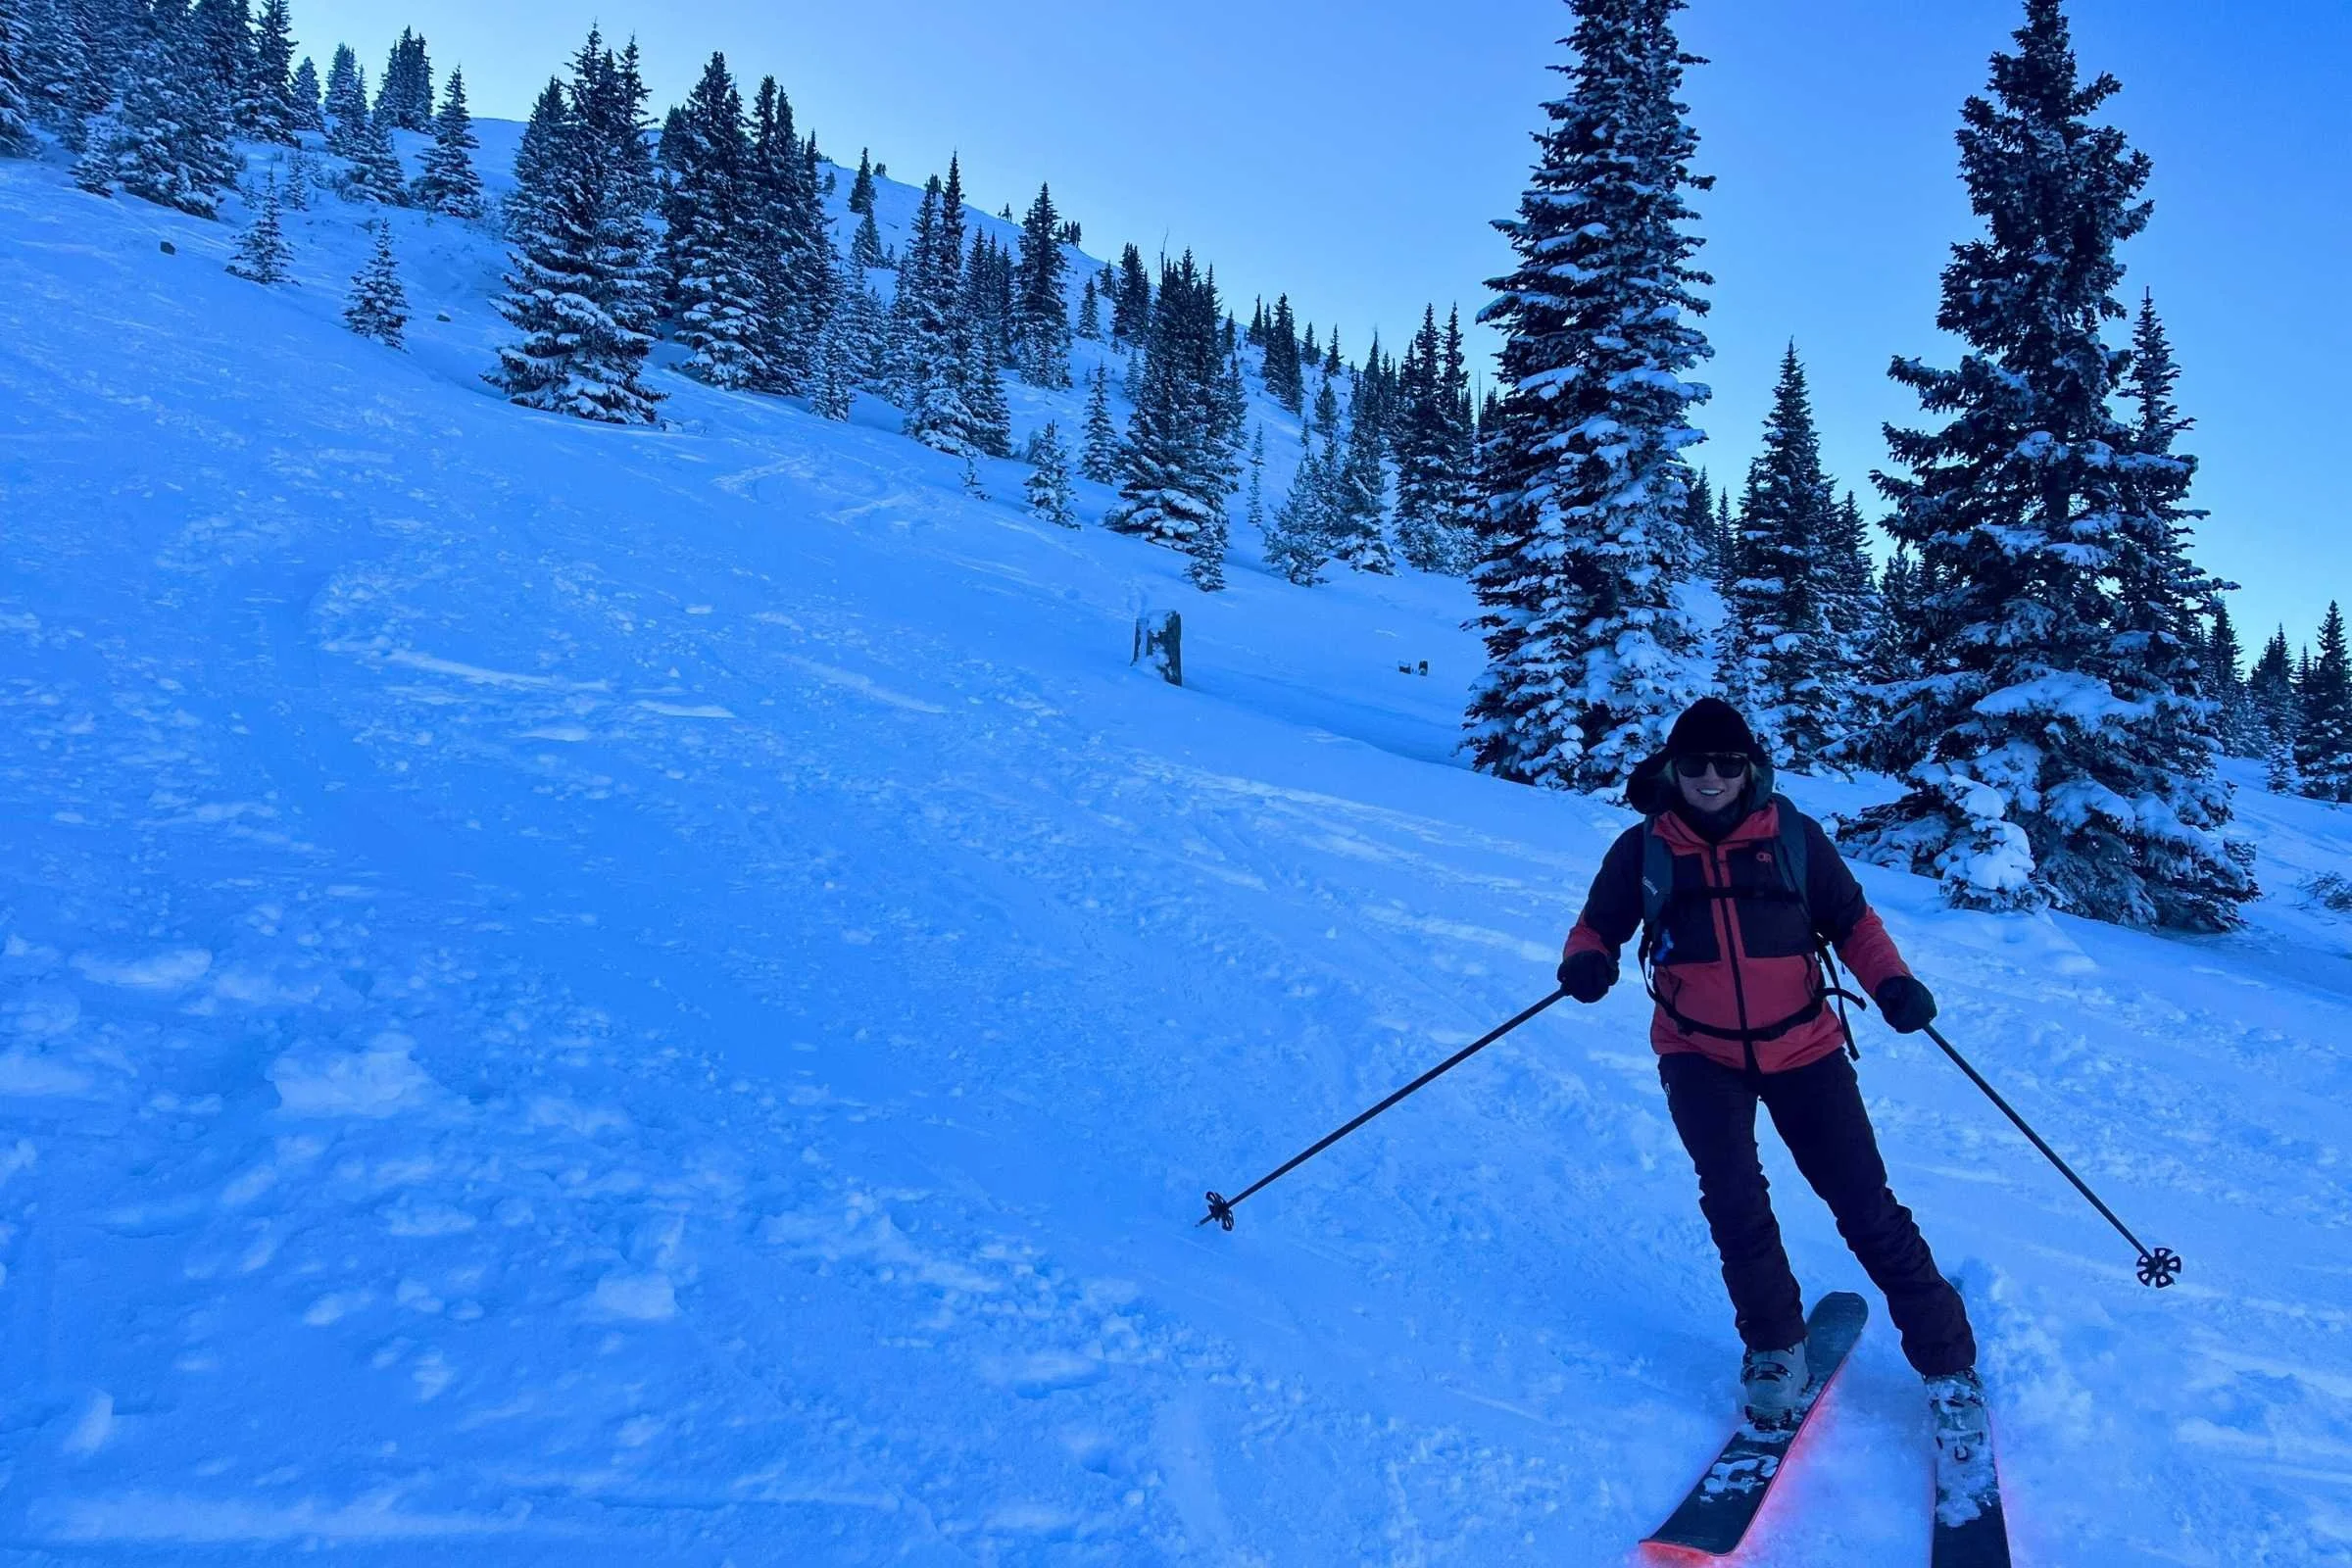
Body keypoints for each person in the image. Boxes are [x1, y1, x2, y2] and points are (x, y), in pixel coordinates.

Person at [1557, 696, 1986, 1448]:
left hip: (1805, 1048)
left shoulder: (1791, 835)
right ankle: (1774, 1350)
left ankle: (1948, 1364)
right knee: (1734, 1204)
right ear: (1672, 768)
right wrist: (1586, 961)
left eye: (1727, 762)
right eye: (1696, 764)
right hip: (1697, 1052)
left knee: (1864, 1205)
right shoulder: (1643, 849)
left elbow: (1854, 922)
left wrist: (1891, 983)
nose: (1712, 777)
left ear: (1750, 766)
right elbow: (1598, 925)